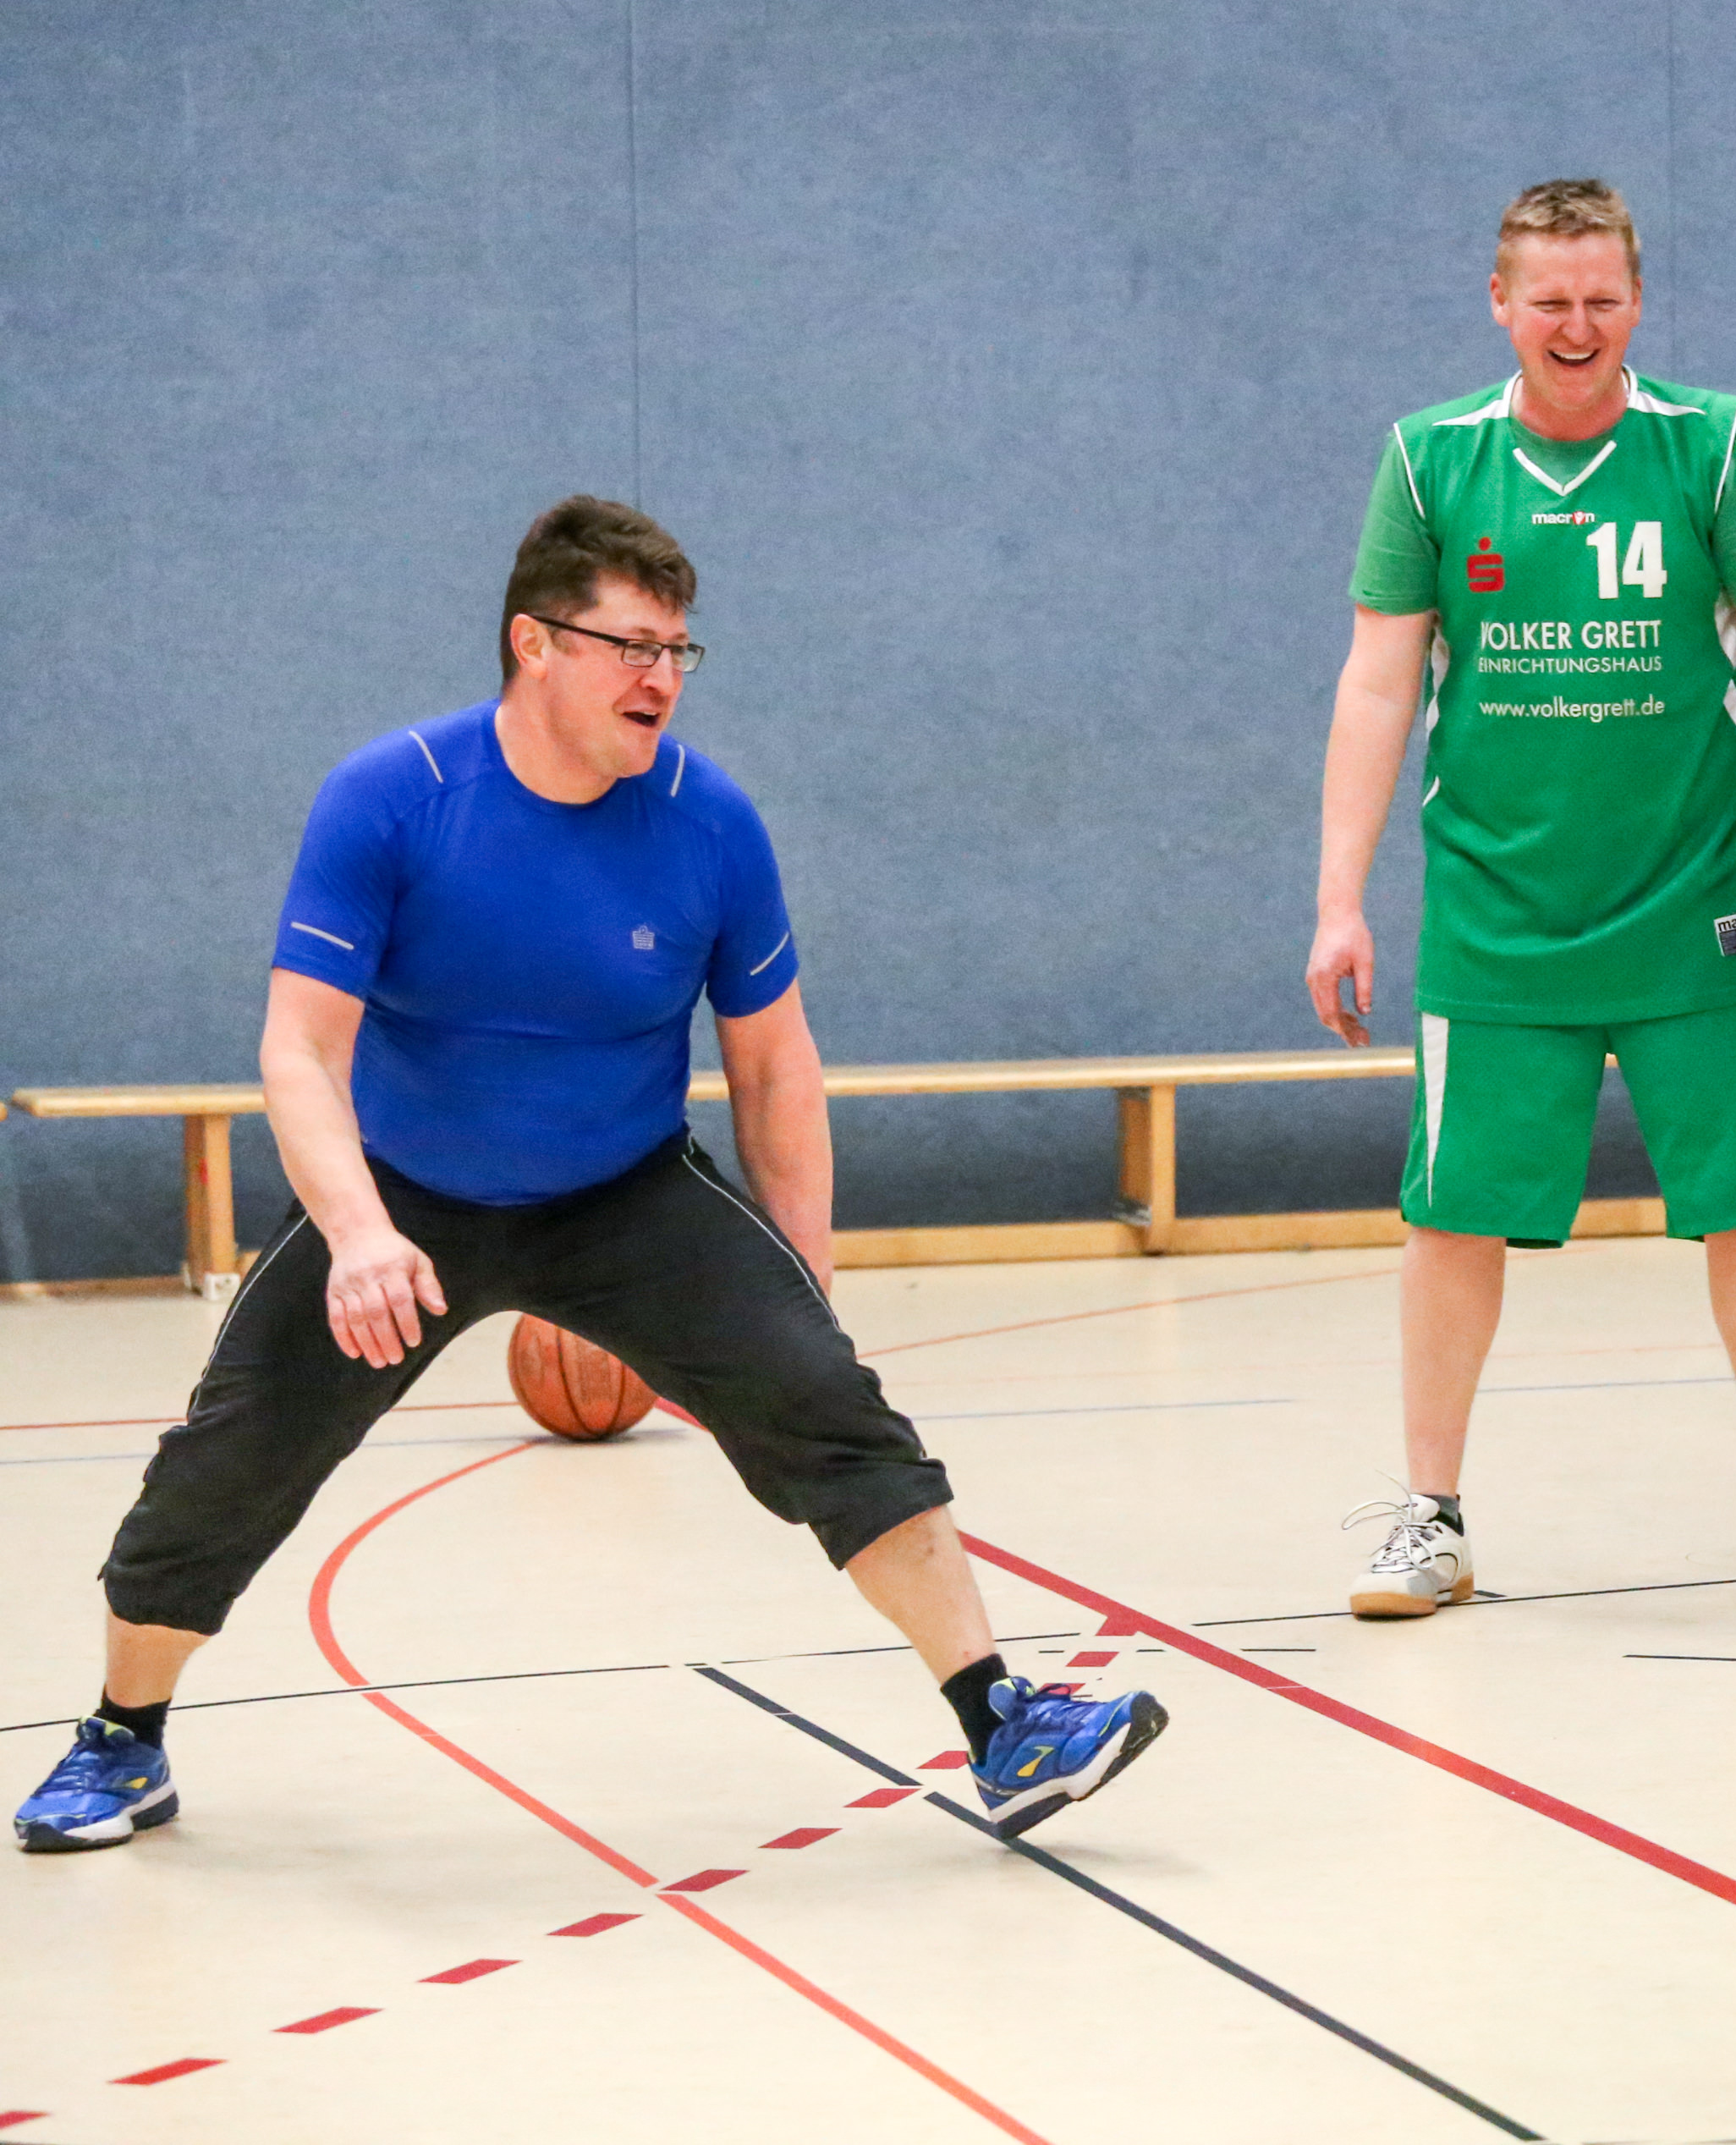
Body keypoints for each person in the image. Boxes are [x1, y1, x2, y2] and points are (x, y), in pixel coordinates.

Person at [15, 498, 1165, 1854]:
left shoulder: (710, 822)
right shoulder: (393, 797)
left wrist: (804, 1278)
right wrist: (360, 1233)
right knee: (230, 1458)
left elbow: (775, 1069)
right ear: (535, 644)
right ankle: (123, 1738)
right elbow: (299, 1052)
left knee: (833, 1409)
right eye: (631, 646)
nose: (660, 677)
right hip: (401, 1198)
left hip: (626, 1192)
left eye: (678, 650)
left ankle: (1003, 1722)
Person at [1307, 179, 1736, 1619]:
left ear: (1637, 301)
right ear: (1500, 303)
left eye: (1602, 299)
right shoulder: (1433, 458)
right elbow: (1377, 682)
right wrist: (1339, 899)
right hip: (1500, 908)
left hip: (1702, 901)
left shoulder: (1715, 444)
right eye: (1550, 300)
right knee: (1454, 1215)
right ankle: (1430, 1518)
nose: (1577, 326)